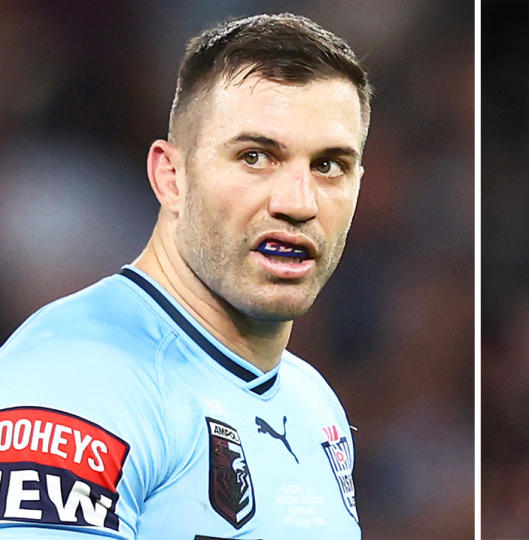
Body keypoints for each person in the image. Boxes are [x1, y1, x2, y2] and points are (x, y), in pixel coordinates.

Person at [0, 13, 370, 538]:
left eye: (328, 165)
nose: (299, 203)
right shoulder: (76, 379)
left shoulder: (314, 407)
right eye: (256, 156)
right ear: (170, 178)